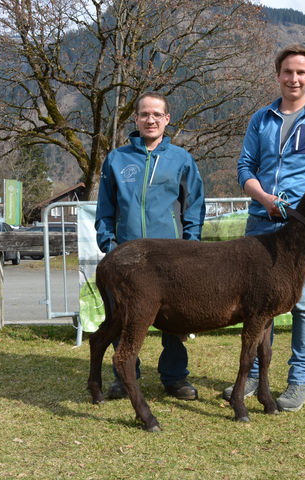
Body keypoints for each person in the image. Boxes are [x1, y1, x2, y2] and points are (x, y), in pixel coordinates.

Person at [222, 43, 305, 412]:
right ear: (277, 75)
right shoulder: (261, 119)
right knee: (259, 303)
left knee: (303, 303)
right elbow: (245, 168)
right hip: (261, 222)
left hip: (304, 229)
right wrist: (263, 198)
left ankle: (298, 381)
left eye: (301, 72)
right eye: (287, 72)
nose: (294, 78)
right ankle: (257, 376)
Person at [95, 91, 206, 401]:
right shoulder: (116, 159)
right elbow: (105, 208)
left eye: (157, 114)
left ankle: (175, 377)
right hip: (128, 258)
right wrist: (109, 244)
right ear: (136, 119)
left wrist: (191, 248)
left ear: (167, 119)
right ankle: (125, 376)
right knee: (123, 319)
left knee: (174, 318)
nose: (151, 119)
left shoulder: (182, 159)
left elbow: (194, 206)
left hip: (172, 259)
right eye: (145, 114)